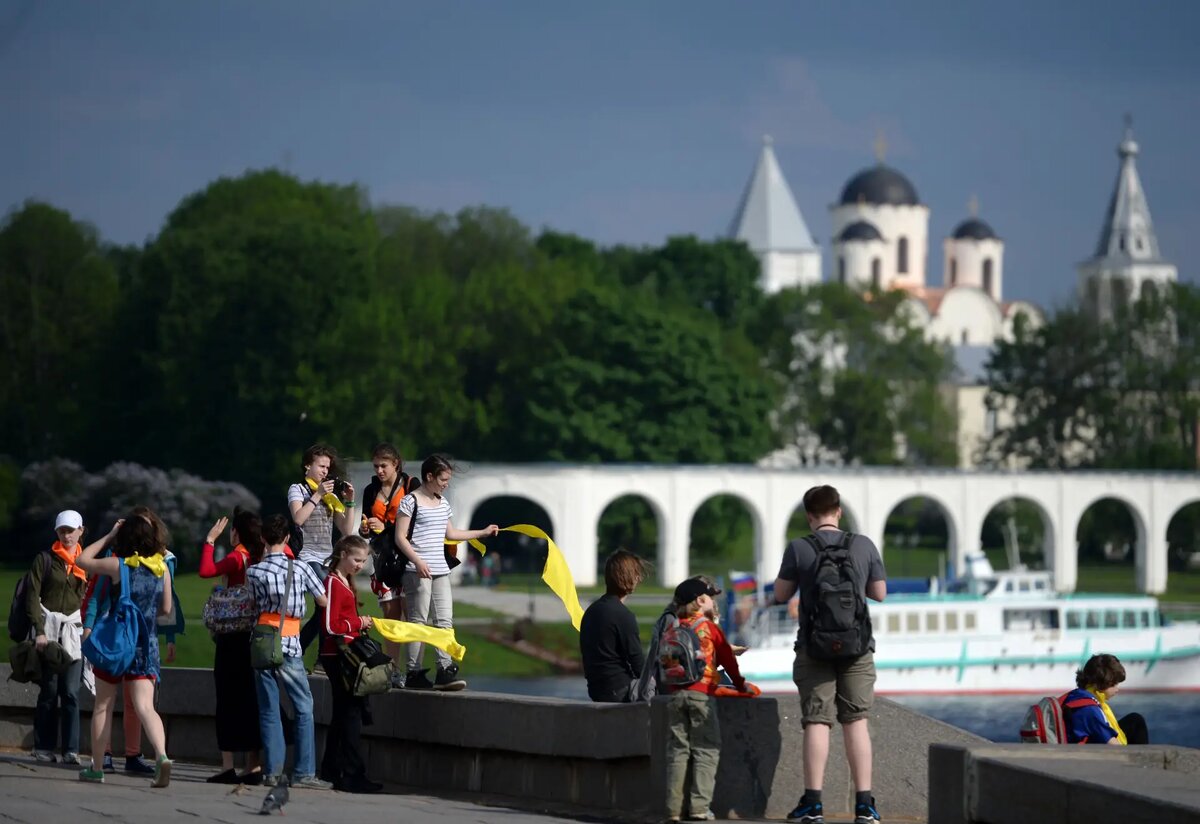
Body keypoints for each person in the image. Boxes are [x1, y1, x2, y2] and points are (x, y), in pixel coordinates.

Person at [773, 485, 886, 824]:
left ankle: (813, 804)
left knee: (817, 721)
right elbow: (879, 593)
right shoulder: (863, 544)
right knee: (856, 721)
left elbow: (780, 594)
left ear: (809, 516)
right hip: (857, 648)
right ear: (838, 511)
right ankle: (864, 805)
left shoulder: (799, 548)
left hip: (814, 647)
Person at [81, 505, 181, 775]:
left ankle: (98, 768)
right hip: (145, 645)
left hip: (117, 643)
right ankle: (161, 756)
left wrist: (110, 535)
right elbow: (166, 609)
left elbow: (83, 559)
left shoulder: (118, 565)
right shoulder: (162, 569)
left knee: (103, 705)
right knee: (145, 707)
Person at [394, 454, 498, 691]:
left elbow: (451, 534)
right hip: (416, 570)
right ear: (429, 476)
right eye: (443, 479)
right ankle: (414, 672)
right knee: (418, 622)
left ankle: (444, 668)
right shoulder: (411, 501)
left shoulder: (442, 502)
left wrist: (481, 532)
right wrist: (418, 561)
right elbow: (400, 537)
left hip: (440, 569)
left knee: (444, 620)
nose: (446, 483)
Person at [246, 514, 330, 789]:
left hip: (262, 642)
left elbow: (251, 606)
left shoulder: (254, 571)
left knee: (268, 710)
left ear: (262, 539)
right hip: (291, 642)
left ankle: (272, 771)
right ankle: (304, 772)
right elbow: (322, 600)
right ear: (286, 539)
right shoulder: (302, 568)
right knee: (303, 707)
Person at [662, 577, 753, 823]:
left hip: (675, 695)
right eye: (710, 597)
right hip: (701, 695)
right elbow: (727, 660)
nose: (713, 601)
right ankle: (699, 808)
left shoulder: (673, 628)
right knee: (705, 750)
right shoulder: (709, 628)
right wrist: (739, 683)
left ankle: (673, 809)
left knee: (678, 752)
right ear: (700, 601)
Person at [198, 510, 264, 784]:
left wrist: (210, 540)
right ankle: (254, 766)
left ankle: (227, 766)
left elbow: (206, 571)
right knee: (251, 701)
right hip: (252, 635)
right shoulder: (258, 556)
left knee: (226, 699)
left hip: (230, 637)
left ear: (236, 532)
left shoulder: (238, 556)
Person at [318, 535, 383, 793]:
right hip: (338, 656)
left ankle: (332, 770)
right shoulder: (334, 582)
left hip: (344, 654)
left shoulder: (345, 580)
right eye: (356, 559)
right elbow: (330, 625)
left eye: (363, 561)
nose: (360, 565)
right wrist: (359, 623)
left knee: (342, 715)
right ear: (343, 554)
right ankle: (353, 774)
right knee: (351, 715)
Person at [26, 510, 89, 765]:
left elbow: (91, 596)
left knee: (71, 692)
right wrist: (39, 631)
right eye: (62, 530)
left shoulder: (86, 561)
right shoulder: (44, 560)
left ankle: (71, 750)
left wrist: (88, 627)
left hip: (73, 631)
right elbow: (32, 596)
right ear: (56, 532)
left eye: (71, 530)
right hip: (49, 631)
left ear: (80, 531)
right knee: (49, 690)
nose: (67, 535)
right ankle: (43, 747)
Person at [358, 442, 417, 688]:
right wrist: (364, 528)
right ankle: (392, 669)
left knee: (411, 614)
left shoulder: (411, 485)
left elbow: (415, 524)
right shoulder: (371, 489)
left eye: (384, 465)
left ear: (396, 464)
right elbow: (365, 524)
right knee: (391, 614)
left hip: (406, 555)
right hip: (382, 558)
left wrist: (388, 529)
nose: (379, 470)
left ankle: (413, 669)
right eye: (376, 466)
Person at [288, 444, 358, 653]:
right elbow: (298, 518)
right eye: (321, 466)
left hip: (327, 559)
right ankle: (315, 653)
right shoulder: (298, 489)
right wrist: (317, 494)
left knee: (327, 608)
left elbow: (346, 529)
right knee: (327, 604)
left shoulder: (330, 497)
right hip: (307, 557)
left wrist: (350, 501)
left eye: (327, 468)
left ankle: (307, 651)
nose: (325, 471)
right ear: (307, 466)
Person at [579, 549, 648, 703]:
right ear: (628, 577)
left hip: (596, 690)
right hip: (619, 689)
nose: (638, 578)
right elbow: (638, 663)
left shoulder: (591, 611)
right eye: (636, 573)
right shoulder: (623, 615)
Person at [1063, 653, 1150, 745]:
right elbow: (1113, 745)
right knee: (1137, 723)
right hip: (1090, 754)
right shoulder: (1090, 710)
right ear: (1100, 683)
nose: (1117, 689)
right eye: (1113, 684)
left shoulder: (1078, 694)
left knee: (1135, 721)